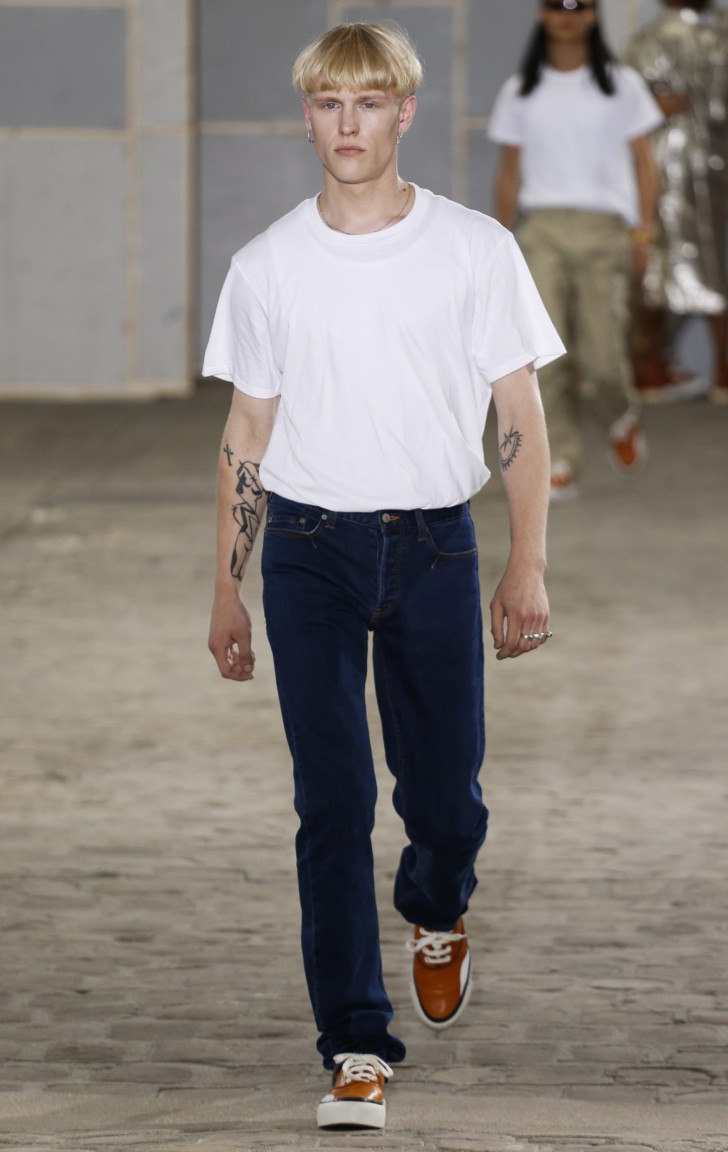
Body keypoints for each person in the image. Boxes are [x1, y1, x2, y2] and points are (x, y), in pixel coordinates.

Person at [204, 21, 564, 1131]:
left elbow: (519, 414)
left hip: (434, 547)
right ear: (307, 115)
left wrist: (527, 565)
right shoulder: (267, 265)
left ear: (405, 112)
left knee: (446, 797)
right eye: (329, 103)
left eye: (368, 103)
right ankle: (355, 1044)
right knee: (332, 801)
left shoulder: (473, 249)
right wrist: (226, 585)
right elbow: (246, 432)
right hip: (308, 553)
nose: (348, 124)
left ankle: (436, 905)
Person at [488, 0, 663, 501]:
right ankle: (560, 455)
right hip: (542, 228)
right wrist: (500, 243)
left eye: (578, 5)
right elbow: (509, 171)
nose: (567, 13)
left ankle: (619, 414)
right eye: (556, 5)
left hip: (604, 229)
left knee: (604, 356)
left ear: (593, 15)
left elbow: (645, 163)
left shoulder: (622, 85)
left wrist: (644, 232)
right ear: (542, 14)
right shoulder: (521, 89)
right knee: (546, 351)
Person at [625, 0, 728, 404]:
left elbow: (623, 105)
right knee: (710, 263)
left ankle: (649, 367)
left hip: (661, 163)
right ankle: (718, 370)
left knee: (658, 264)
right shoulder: (717, 38)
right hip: (702, 165)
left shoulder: (646, 41)